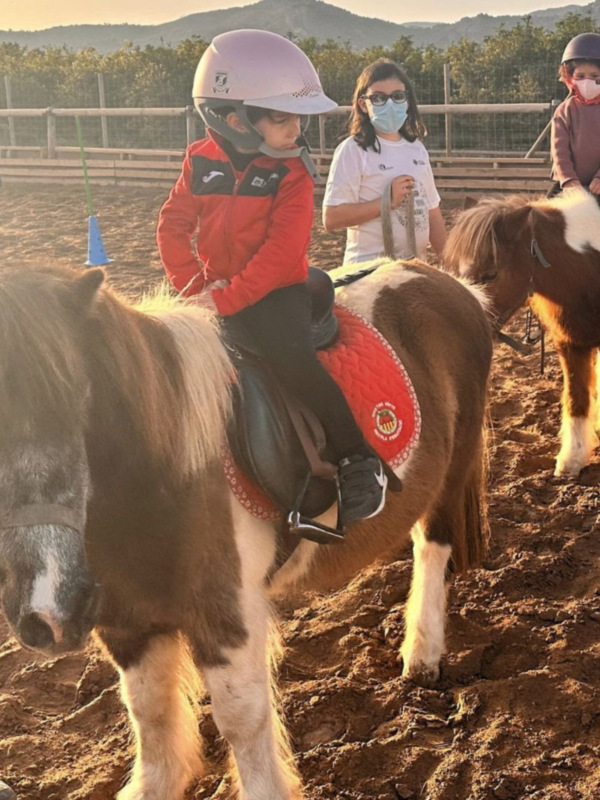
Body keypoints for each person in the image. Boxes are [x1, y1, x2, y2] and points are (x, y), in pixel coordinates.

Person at [157, 29, 387, 528]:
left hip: (276, 290)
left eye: (296, 117)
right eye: (281, 118)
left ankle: (358, 459)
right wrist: (193, 287)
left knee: (294, 363)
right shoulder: (199, 160)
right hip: (211, 292)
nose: (296, 129)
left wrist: (226, 300)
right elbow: (173, 226)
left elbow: (282, 254)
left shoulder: (293, 174)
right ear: (234, 119)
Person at [323, 58, 446, 264]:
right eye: (379, 98)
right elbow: (332, 218)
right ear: (363, 104)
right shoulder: (353, 150)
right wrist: (386, 202)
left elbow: (432, 212)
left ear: (407, 100)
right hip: (368, 270)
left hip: (416, 269)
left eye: (397, 96)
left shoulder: (417, 149)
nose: (390, 104)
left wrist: (450, 262)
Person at [548, 32, 600, 199]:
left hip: (598, 184)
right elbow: (559, 150)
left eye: (594, 76)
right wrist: (568, 180)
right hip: (570, 184)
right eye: (580, 76)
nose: (587, 81)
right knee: (543, 217)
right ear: (570, 77)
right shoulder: (564, 111)